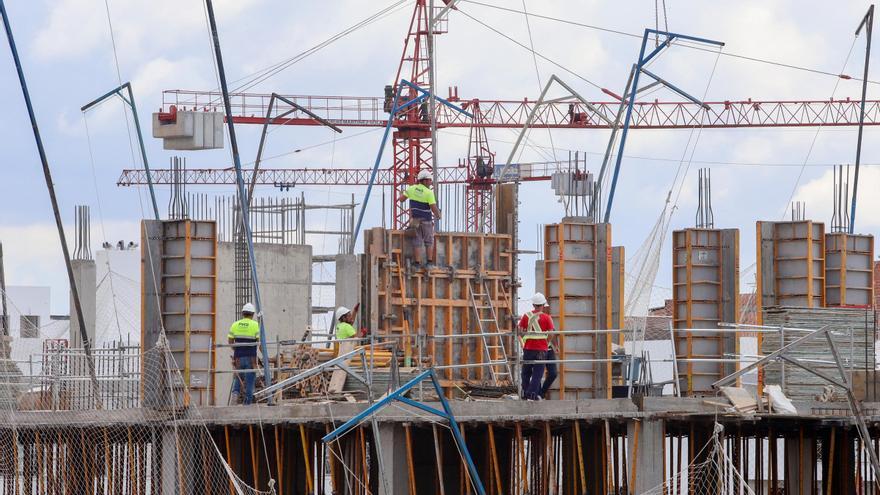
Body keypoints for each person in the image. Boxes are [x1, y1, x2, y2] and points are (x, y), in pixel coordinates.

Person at [397, 170, 441, 269]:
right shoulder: (429, 192)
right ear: (424, 181)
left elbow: (401, 199)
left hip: (415, 220)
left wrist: (401, 193)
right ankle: (429, 263)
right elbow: (433, 207)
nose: (431, 183)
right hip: (426, 220)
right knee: (429, 241)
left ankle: (417, 264)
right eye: (430, 181)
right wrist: (438, 215)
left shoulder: (411, 189)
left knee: (417, 241)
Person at [518, 292, 554, 400]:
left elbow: (519, 331)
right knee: (537, 374)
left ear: (533, 305)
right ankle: (532, 394)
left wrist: (523, 343)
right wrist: (546, 343)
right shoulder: (547, 318)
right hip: (541, 350)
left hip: (528, 349)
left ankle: (525, 393)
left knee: (526, 373)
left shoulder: (526, 316)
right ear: (543, 305)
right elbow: (551, 333)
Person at [228, 303, 260, 405]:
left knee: (238, 378)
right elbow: (259, 343)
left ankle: (235, 396)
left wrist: (236, 350)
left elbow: (230, 341)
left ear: (242, 313)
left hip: (238, 357)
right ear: (253, 314)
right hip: (251, 358)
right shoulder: (255, 325)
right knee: (250, 381)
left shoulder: (235, 324)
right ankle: (247, 404)